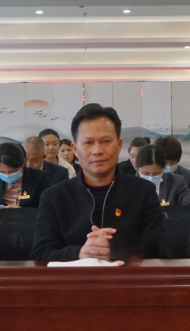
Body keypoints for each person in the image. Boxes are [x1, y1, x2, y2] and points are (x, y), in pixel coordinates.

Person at [32, 103, 166, 262]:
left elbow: (161, 248)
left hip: (126, 277)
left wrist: (113, 250)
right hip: (75, 278)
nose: (97, 151)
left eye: (105, 141)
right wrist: (79, 253)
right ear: (75, 149)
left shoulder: (143, 191)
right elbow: (40, 254)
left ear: (119, 145)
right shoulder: (54, 197)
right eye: (88, 143)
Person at [0, 142, 49, 210]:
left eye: (12, 171)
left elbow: (47, 208)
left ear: (23, 163)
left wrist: (22, 212)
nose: (7, 175)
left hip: (30, 221)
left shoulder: (40, 178)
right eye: (2, 171)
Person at [137, 143, 190, 207]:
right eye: (146, 173)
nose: (151, 177)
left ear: (163, 169)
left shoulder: (177, 182)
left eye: (156, 173)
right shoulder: (131, 185)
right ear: (138, 168)